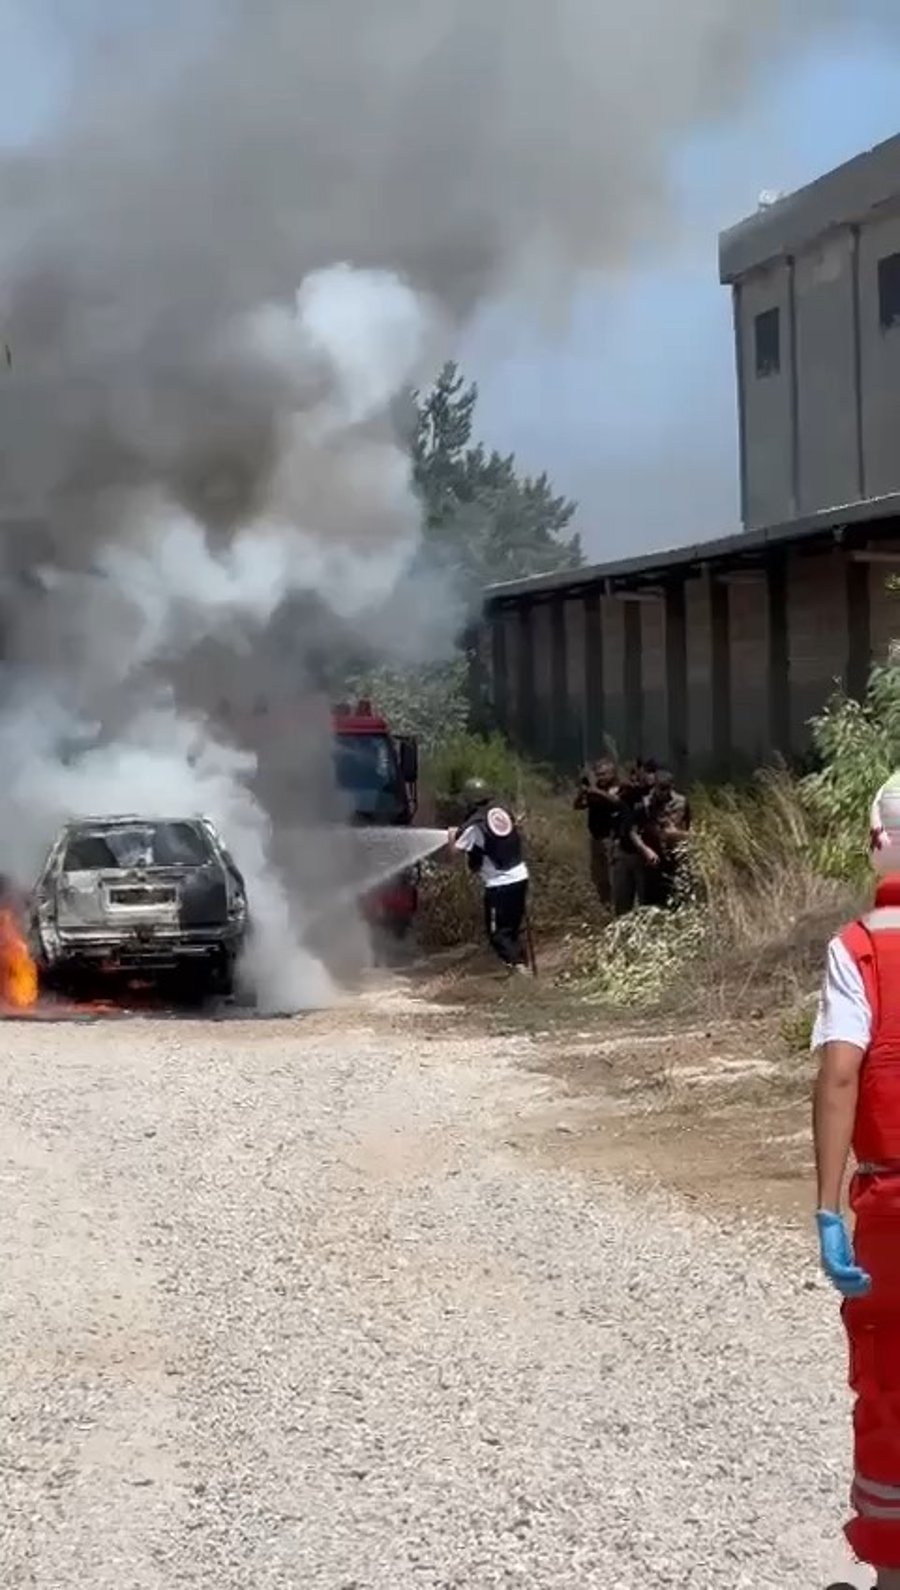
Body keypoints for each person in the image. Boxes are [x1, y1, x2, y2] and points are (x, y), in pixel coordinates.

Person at [811, 771, 900, 1588]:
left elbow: (842, 1075)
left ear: (879, 843)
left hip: (891, 1202)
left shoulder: (860, 948)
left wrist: (827, 1207)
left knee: (888, 1384)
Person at [449, 778, 531, 974]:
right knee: (511, 929)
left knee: (498, 935)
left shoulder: (474, 824)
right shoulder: (502, 812)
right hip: (520, 877)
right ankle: (520, 965)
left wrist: (452, 835)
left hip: (499, 885)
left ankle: (519, 971)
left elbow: (455, 851)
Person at [610, 761, 659, 916]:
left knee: (647, 904)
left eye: (652, 772)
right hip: (625, 851)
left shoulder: (658, 795)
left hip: (646, 855)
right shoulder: (629, 793)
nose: (648, 776)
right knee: (622, 904)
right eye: (646, 772)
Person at [573, 757, 621, 907]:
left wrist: (595, 791)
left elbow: (615, 801)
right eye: (598, 774)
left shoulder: (617, 788)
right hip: (595, 837)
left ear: (612, 774)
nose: (600, 777)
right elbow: (578, 806)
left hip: (611, 839)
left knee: (613, 875)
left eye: (603, 774)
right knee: (598, 875)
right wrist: (583, 793)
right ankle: (605, 904)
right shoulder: (595, 790)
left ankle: (617, 905)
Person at [644, 768, 692, 908]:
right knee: (653, 898)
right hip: (653, 854)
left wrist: (678, 834)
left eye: (666, 788)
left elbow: (688, 825)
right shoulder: (647, 803)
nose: (663, 792)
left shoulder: (681, 801)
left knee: (678, 893)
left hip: (675, 853)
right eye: (660, 788)